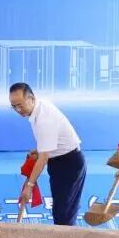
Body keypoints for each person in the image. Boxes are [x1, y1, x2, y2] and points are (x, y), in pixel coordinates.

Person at [9, 83, 86, 226]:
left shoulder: (44, 119)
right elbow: (47, 147)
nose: (18, 110)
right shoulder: (38, 108)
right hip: (58, 161)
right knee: (60, 209)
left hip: (69, 163)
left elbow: (43, 157)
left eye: (20, 105)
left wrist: (29, 186)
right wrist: (39, 150)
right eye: (14, 107)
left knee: (64, 213)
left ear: (31, 98)